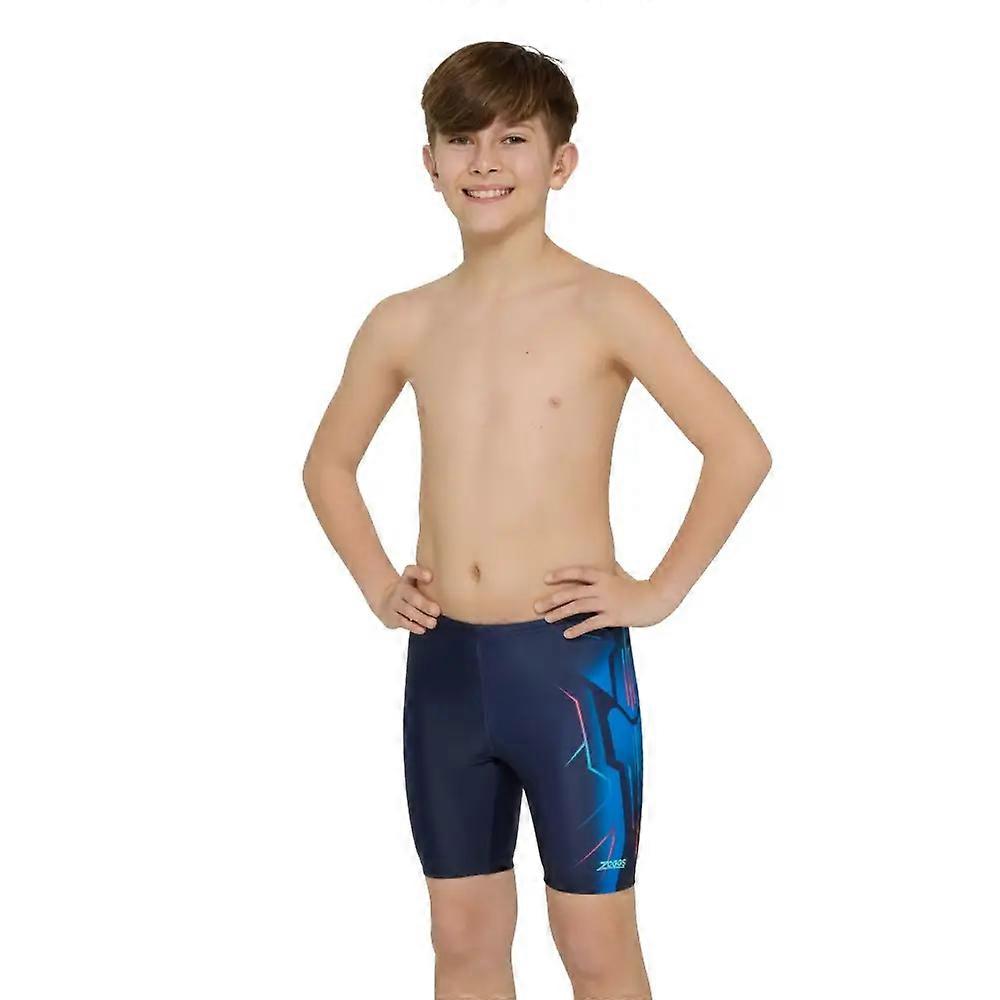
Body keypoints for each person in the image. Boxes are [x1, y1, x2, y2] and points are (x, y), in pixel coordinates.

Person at [303, 40, 771, 1000]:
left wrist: (658, 591)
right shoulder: (403, 320)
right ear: (429, 162)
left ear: (561, 162)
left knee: (593, 943)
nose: (484, 161)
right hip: (444, 668)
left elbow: (738, 449)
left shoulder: (608, 305)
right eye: (461, 139)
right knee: (462, 936)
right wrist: (379, 583)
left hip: (568, 667)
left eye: (512, 139)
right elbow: (328, 465)